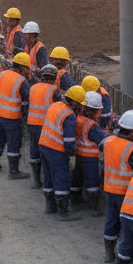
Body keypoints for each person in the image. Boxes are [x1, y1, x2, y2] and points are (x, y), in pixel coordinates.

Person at [100, 110, 133, 261]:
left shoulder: (108, 141)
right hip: (125, 193)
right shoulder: (132, 150)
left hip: (109, 189)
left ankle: (109, 254)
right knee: (127, 226)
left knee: (111, 220)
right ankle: (129, 256)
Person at [39, 84, 86, 220]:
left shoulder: (55, 105)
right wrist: (71, 155)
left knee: (48, 176)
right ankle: (63, 211)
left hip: (44, 145)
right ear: (72, 102)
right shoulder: (69, 115)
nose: (80, 107)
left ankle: (50, 206)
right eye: (79, 104)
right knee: (62, 178)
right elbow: (69, 140)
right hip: (56, 149)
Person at [0, 51, 32, 179]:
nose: (27, 71)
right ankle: (13, 171)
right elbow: (25, 104)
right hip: (12, 117)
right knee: (14, 144)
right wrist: (25, 121)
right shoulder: (22, 81)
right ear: (22, 68)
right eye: (26, 68)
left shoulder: (2, 74)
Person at [70, 91, 108, 216]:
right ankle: (94, 207)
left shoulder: (77, 118)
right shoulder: (91, 125)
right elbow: (104, 141)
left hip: (78, 153)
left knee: (77, 178)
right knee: (92, 182)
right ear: (93, 111)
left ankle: (75, 200)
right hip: (90, 158)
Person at [26, 64, 59, 187]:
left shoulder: (33, 87)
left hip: (32, 123)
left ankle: (36, 180)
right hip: (46, 126)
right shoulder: (54, 90)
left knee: (34, 151)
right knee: (46, 152)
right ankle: (47, 181)